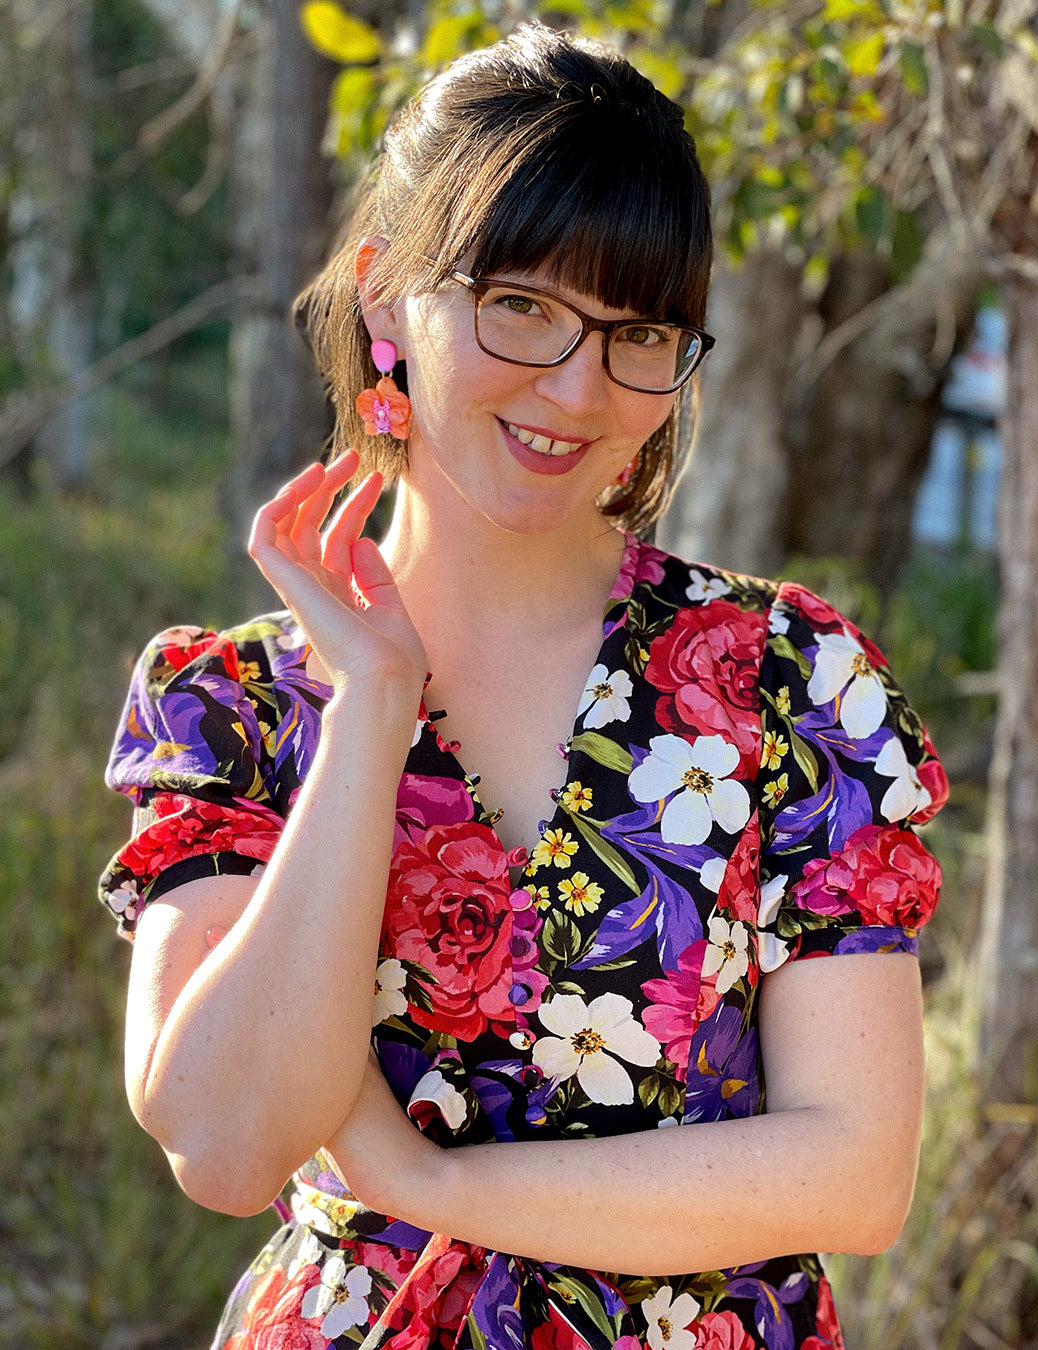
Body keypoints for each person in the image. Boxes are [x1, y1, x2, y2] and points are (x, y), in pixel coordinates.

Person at [99, 25, 948, 1350]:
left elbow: (855, 1169)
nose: (576, 386)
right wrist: (373, 704)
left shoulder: (786, 682)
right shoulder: (239, 707)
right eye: (521, 304)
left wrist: (431, 1182)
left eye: (637, 330)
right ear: (387, 301)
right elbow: (221, 1141)